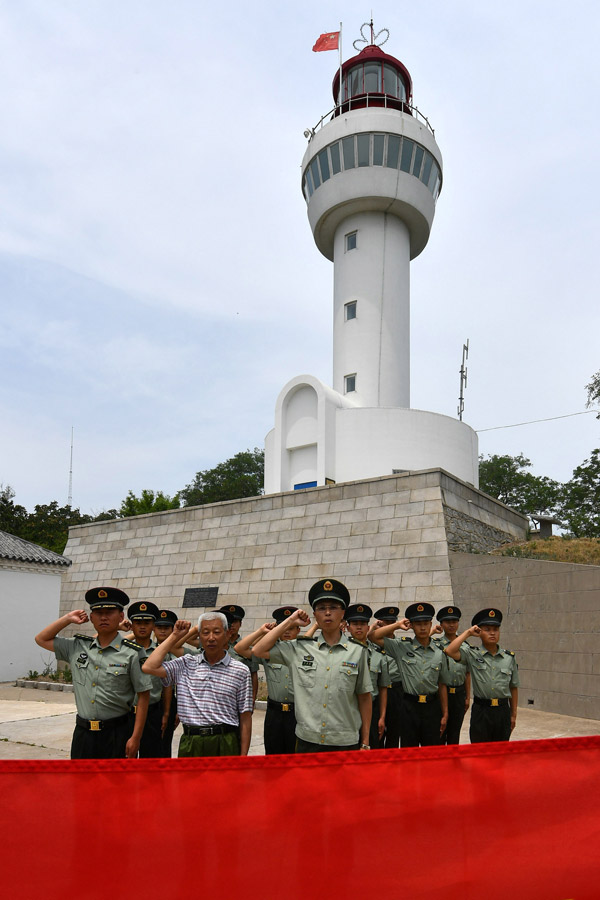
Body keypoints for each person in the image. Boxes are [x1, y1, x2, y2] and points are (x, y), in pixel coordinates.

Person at [252, 579, 372, 753]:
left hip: (345, 741)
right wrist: (290, 621)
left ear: (343, 613)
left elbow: (364, 697)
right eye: (321, 608)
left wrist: (366, 741)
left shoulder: (358, 652)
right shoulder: (299, 648)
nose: (328, 613)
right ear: (315, 615)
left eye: (333, 607)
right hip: (307, 740)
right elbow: (258, 650)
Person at [34, 586, 151, 759]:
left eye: (110, 611)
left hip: (117, 733)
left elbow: (143, 695)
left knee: (116, 784)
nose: (103, 617)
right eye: (98, 612)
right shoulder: (77, 646)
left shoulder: (133, 652)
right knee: (81, 784)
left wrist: (135, 737)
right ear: (91, 617)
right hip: (83, 734)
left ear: (120, 616)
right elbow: (41, 639)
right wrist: (67, 619)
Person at [142, 611, 253, 756]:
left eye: (217, 632)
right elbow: (149, 667)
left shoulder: (240, 670)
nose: (211, 638)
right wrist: (175, 635)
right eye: (205, 633)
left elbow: (245, 716)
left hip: (225, 741)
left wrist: (243, 756)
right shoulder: (186, 663)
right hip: (191, 741)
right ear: (199, 636)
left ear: (227, 635)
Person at [371, 602, 448, 747]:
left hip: (432, 707)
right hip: (408, 707)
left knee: (431, 749)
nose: (423, 627)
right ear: (411, 625)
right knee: (408, 749)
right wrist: (397, 625)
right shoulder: (401, 646)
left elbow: (442, 684)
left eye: (426, 623)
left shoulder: (439, 651)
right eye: (418, 623)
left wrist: (445, 713)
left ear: (431, 623)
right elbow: (373, 637)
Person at [443, 608, 519, 743]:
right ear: (479, 632)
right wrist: (468, 633)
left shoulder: (509, 658)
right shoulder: (473, 654)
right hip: (481, 711)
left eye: (495, 629)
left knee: (501, 754)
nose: (492, 633)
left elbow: (513, 687)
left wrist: (513, 714)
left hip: (502, 711)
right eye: (487, 629)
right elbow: (449, 650)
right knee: (479, 753)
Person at [235, 606, 301, 755]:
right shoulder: (268, 652)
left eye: (291, 627)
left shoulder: (305, 651)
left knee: (296, 758)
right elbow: (240, 648)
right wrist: (261, 631)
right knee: (272, 755)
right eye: (283, 627)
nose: (287, 631)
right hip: (274, 714)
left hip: (298, 714)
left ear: (298, 630)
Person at [126, 601, 173, 758]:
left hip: (153, 712)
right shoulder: (123, 650)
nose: (142, 627)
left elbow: (167, 685)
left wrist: (166, 713)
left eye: (147, 623)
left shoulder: (160, 653)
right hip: (126, 713)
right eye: (138, 623)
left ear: (153, 626)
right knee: (125, 757)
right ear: (132, 626)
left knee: (152, 756)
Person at [344, 604, 390, 749]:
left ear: (368, 627)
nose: (359, 627)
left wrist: (382, 717)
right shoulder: (341, 653)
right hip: (347, 709)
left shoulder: (378, 656)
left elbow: (383, 688)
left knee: (372, 749)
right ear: (347, 627)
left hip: (372, 709)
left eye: (362, 624)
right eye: (355, 624)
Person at [433, 605, 470, 745]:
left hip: (459, 693)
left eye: (454, 621)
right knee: (440, 731)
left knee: (455, 732)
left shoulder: (465, 646)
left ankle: (453, 764)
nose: (452, 625)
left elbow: (467, 673)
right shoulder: (435, 645)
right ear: (441, 624)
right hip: (441, 693)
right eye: (448, 622)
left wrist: (467, 697)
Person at [372, 606, 403, 747]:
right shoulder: (371, 645)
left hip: (396, 691)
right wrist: (373, 628)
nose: (390, 625)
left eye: (392, 622)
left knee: (394, 731)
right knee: (377, 731)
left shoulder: (401, 644)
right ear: (380, 623)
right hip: (378, 692)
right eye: (386, 622)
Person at [220, 604, 260, 704]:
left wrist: (252, 699)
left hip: (238, 697)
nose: (232, 625)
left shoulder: (247, 647)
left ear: (240, 624)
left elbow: (253, 674)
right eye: (229, 622)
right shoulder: (216, 645)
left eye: (235, 622)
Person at [154, 608, 178, 756]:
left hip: (170, 702)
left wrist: (179, 711)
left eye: (166, 628)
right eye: (159, 627)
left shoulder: (179, 652)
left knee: (164, 743)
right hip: (151, 702)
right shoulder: (146, 650)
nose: (162, 631)